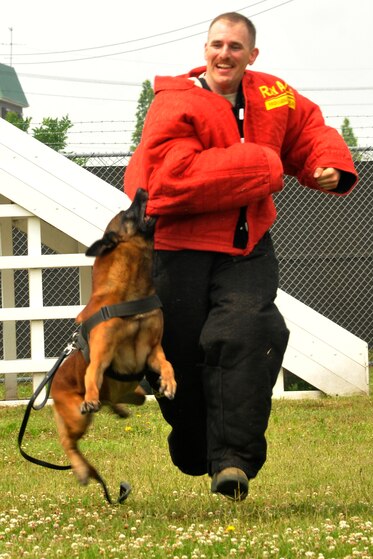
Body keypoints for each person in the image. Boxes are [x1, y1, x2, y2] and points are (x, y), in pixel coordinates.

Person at [123, 12, 358, 500]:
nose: (223, 54)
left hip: (245, 247)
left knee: (249, 333)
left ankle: (233, 461)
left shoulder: (273, 95)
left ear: (252, 55)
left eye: (234, 46)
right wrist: (265, 164)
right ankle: (194, 447)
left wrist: (326, 162)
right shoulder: (174, 104)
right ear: (204, 50)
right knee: (180, 360)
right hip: (178, 252)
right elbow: (171, 180)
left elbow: (309, 129)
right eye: (216, 45)